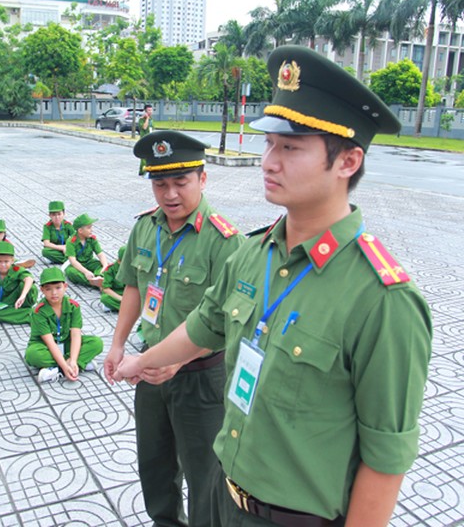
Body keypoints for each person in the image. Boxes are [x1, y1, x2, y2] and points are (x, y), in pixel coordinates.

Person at [114, 45, 433, 527]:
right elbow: (202, 326)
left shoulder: (384, 300)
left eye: (290, 147)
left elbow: (386, 458)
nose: (268, 161)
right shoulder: (252, 254)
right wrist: (138, 361)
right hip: (224, 496)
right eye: (268, 145)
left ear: (347, 161)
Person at [103, 129, 243, 527]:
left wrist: (178, 362)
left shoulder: (224, 241)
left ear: (203, 178)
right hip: (149, 368)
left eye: (180, 182)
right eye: (159, 183)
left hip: (201, 378)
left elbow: (228, 323)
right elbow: (133, 284)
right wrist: (117, 345)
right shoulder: (145, 228)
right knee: (155, 466)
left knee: (205, 477)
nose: (169, 194)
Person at [24, 267, 103, 384]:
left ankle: (59, 367)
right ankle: (79, 363)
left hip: (66, 342)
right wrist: (66, 366)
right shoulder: (38, 311)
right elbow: (49, 342)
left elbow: (76, 334)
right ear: (42, 290)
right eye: (48, 289)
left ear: (65, 286)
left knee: (96, 343)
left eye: (58, 288)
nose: (54, 293)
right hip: (44, 346)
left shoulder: (73, 306)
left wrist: (74, 360)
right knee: (32, 355)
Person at [64, 214, 108, 288]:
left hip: (89, 262)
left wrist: (105, 266)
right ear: (80, 230)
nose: (91, 230)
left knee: (102, 265)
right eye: (89, 228)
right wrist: (86, 272)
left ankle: (100, 277)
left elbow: (100, 254)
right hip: (77, 265)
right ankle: (95, 283)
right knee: (71, 272)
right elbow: (73, 261)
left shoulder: (92, 239)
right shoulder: (70, 242)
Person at [100, 245, 126, 312]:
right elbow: (106, 289)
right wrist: (121, 299)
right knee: (105, 298)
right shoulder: (110, 270)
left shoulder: (134, 268)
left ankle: (118, 307)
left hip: (128, 293)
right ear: (119, 261)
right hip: (115, 294)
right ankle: (129, 309)